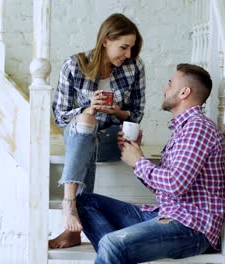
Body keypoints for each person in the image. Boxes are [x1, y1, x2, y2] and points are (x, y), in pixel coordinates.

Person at [76, 64, 225, 263]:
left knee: (112, 244)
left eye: (170, 84)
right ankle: (117, 255)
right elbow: (165, 188)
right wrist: (136, 158)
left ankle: (115, 252)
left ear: (184, 92)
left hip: (191, 227)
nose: (165, 90)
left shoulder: (197, 128)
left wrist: (139, 162)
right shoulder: (183, 129)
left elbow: (175, 185)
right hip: (167, 215)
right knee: (84, 202)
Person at [50, 13, 146, 249]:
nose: (128, 55)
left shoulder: (135, 67)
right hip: (80, 134)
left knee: (88, 134)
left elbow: (137, 113)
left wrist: (117, 112)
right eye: (123, 47)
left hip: (110, 139)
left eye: (132, 48)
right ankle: (71, 204)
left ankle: (70, 213)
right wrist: (89, 109)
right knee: (86, 123)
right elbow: (60, 116)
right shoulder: (73, 65)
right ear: (105, 40)